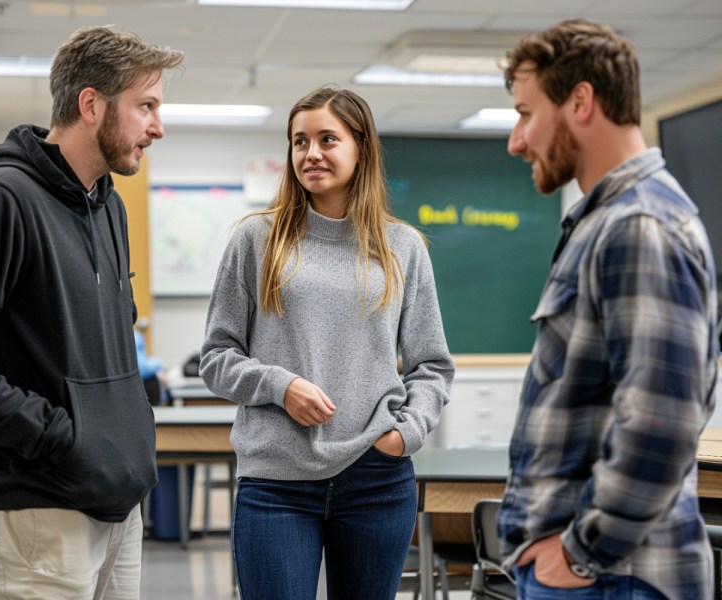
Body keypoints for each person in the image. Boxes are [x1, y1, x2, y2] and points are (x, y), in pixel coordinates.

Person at [0, 26, 183, 598]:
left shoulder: (108, 206)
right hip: (34, 516)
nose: (158, 126)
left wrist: (123, 438)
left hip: (117, 507)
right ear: (91, 104)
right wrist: (61, 438)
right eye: (146, 106)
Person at [199, 85, 454, 600]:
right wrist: (279, 384)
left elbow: (431, 365)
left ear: (362, 148)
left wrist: (406, 433)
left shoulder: (402, 246)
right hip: (276, 483)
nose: (310, 154)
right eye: (299, 141)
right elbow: (216, 357)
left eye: (327, 139)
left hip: (377, 479)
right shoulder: (256, 239)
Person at [497, 18, 718, 600]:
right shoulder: (608, 222)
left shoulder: (639, 227)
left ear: (581, 100)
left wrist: (580, 553)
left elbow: (660, 424)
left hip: (609, 578)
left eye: (526, 113)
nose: (516, 140)